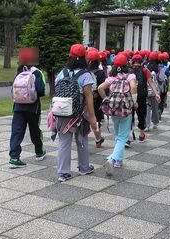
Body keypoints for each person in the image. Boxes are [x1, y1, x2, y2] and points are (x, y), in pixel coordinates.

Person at [54, 44, 97, 182]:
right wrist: (92, 117)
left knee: (64, 142)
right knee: (82, 140)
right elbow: (89, 96)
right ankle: (84, 167)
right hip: (80, 114)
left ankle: (63, 173)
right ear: (84, 57)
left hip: (63, 111)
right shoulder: (86, 75)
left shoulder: (62, 73)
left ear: (70, 56)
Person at [98, 54, 137, 175]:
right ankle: (113, 159)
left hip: (113, 109)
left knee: (118, 135)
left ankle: (118, 160)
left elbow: (100, 88)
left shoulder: (111, 77)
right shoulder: (130, 76)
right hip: (125, 110)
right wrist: (134, 102)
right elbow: (133, 88)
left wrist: (106, 100)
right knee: (123, 137)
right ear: (127, 64)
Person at [9, 48, 46, 168]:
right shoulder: (37, 72)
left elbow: (13, 90)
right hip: (33, 108)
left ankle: (14, 158)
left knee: (16, 132)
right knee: (35, 130)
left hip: (18, 107)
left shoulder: (19, 72)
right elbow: (41, 90)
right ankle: (39, 152)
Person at [128, 53, 160, 145]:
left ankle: (127, 136)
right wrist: (156, 93)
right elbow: (151, 82)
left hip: (129, 96)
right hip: (141, 97)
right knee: (141, 115)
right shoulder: (145, 70)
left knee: (129, 116)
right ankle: (142, 135)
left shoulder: (129, 70)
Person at [86, 50, 106, 148]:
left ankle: (83, 139)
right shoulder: (101, 73)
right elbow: (103, 87)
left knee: (85, 119)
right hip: (96, 100)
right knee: (96, 119)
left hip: (85, 98)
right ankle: (98, 139)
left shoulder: (85, 72)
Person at [145, 52, 159, 131]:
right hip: (154, 91)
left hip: (147, 90)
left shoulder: (146, 66)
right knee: (155, 108)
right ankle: (155, 122)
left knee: (147, 108)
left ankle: (147, 125)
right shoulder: (159, 68)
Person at [157, 52, 170, 118]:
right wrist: (168, 85)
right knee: (162, 100)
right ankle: (160, 110)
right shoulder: (165, 68)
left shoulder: (155, 67)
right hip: (163, 86)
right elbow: (169, 78)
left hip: (155, 86)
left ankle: (155, 111)